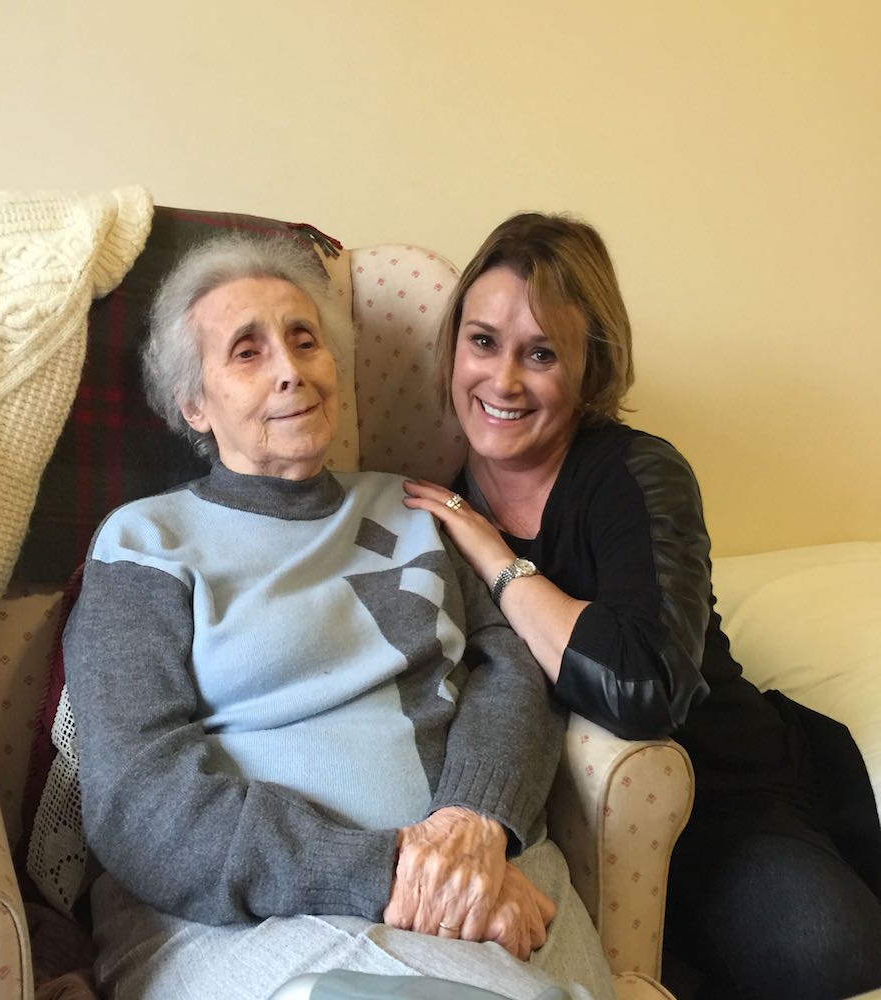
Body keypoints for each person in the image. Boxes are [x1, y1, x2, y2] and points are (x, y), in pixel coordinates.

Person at [62, 230, 618, 1000]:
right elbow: (139, 798)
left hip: (485, 877)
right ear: (195, 402)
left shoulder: (418, 509)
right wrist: (391, 871)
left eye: (304, 340)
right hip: (249, 914)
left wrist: (475, 822)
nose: (291, 371)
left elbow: (515, 673)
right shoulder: (145, 544)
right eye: (247, 353)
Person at [403, 212, 881, 1000]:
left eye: (543, 353)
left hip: (724, 799)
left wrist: (495, 557)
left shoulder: (640, 476)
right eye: (483, 342)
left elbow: (640, 689)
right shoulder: (426, 512)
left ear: (592, 370)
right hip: (560, 829)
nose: (504, 381)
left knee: (828, 953)